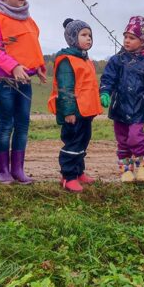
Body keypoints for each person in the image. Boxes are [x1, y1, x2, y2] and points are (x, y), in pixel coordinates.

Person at [0, 0, 46, 184]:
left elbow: (32, 46)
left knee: (23, 124)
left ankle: (18, 169)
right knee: (6, 124)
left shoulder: (28, 20)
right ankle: (3, 170)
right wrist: (14, 66)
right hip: (5, 81)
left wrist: (39, 66)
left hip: (25, 80)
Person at [99, 16, 144, 183]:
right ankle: (126, 170)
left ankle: (142, 167)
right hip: (119, 107)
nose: (127, 40)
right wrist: (105, 92)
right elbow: (108, 78)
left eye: (132, 38)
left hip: (139, 108)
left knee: (135, 137)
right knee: (122, 140)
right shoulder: (117, 60)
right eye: (125, 36)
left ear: (142, 41)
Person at [48, 19, 102, 193]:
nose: (89, 39)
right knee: (73, 144)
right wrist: (69, 111)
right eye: (84, 35)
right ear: (72, 38)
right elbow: (65, 88)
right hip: (74, 112)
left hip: (85, 112)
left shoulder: (85, 59)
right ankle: (68, 177)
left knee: (82, 143)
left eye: (90, 35)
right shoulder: (67, 60)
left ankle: (79, 172)